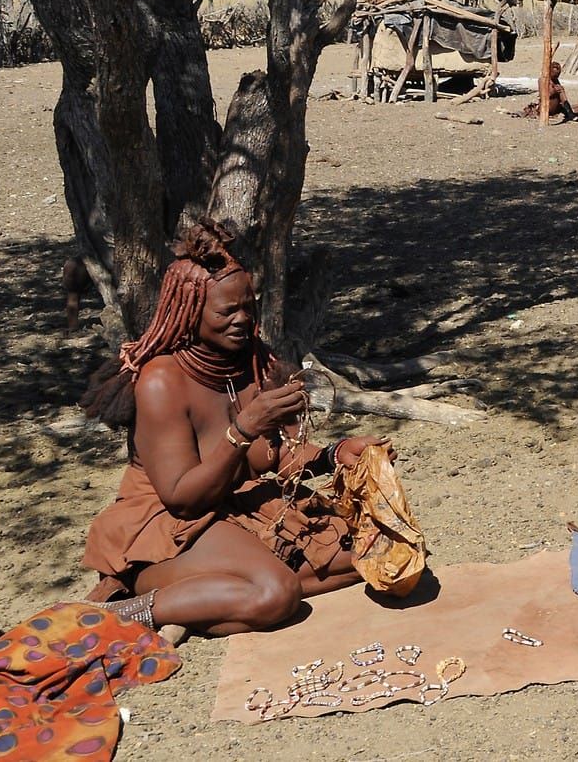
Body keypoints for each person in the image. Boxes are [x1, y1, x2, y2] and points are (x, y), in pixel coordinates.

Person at [80, 222, 388, 637]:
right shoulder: (161, 381)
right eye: (228, 311)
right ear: (190, 313)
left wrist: (335, 453)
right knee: (274, 595)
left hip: (240, 507)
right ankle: (129, 610)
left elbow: (278, 456)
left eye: (249, 306)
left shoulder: (255, 362)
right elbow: (184, 499)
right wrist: (245, 427)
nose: (243, 319)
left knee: (375, 551)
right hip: (173, 527)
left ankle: (210, 598)